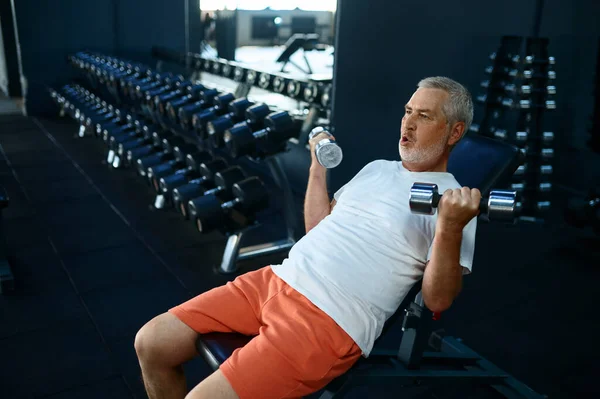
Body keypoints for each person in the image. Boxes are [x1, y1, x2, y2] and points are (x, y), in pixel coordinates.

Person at [134, 76, 480, 399]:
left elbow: (438, 300)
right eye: (407, 111)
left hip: (327, 319)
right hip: (275, 280)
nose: (408, 123)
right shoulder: (376, 168)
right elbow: (318, 229)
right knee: (151, 342)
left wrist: (449, 227)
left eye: (424, 115)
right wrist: (318, 167)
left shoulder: (453, 201)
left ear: (454, 132)